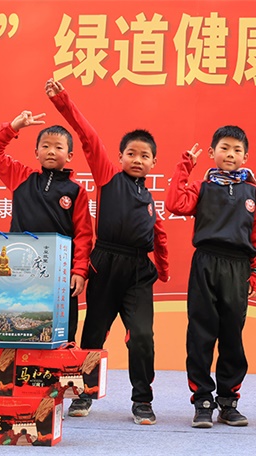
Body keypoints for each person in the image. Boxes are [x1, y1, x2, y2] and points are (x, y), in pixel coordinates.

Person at [45, 78, 170, 425]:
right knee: (94, 334)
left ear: (153, 162)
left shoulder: (150, 202)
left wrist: (163, 270)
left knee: (142, 336)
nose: (137, 159)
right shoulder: (107, 177)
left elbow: (160, 238)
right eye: (131, 154)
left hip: (138, 273)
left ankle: (142, 400)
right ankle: (83, 393)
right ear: (119, 157)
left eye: (144, 156)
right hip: (105, 264)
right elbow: (86, 135)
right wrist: (62, 100)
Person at [165, 126, 256, 428]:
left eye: (237, 150)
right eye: (224, 148)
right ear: (212, 153)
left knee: (232, 335)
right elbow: (174, 204)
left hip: (238, 268)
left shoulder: (253, 192)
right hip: (205, 263)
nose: (230, 154)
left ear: (245, 156)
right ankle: (202, 401)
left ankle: (228, 401)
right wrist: (184, 166)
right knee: (201, 333)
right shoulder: (202, 186)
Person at [0, 108, 94, 347]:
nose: (51, 151)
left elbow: (84, 235)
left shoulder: (76, 191)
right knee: (14, 328)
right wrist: (13, 127)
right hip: (19, 269)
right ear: (36, 152)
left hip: (60, 271)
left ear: (70, 155)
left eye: (58, 147)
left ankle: (62, 368)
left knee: (63, 333)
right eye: (45, 146)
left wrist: (79, 270)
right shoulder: (21, 177)